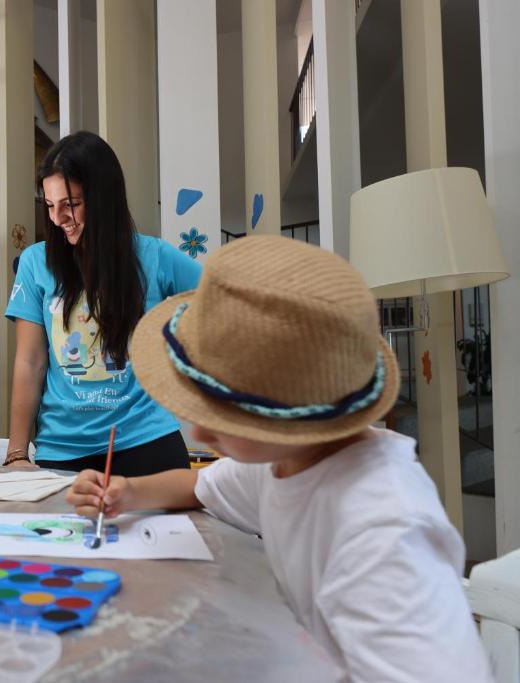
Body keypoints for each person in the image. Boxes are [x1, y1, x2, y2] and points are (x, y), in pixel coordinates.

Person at [67, 235, 491, 682]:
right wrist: (128, 491)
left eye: (222, 417)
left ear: (289, 422)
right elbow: (199, 487)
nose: (200, 431)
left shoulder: (381, 534)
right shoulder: (288, 460)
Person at [4, 131, 202, 475]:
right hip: (63, 448)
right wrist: (17, 453)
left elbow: (221, 302)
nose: (57, 218)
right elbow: (30, 360)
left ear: (103, 198)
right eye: (50, 206)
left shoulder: (154, 256)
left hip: (147, 438)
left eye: (71, 205)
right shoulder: (36, 262)